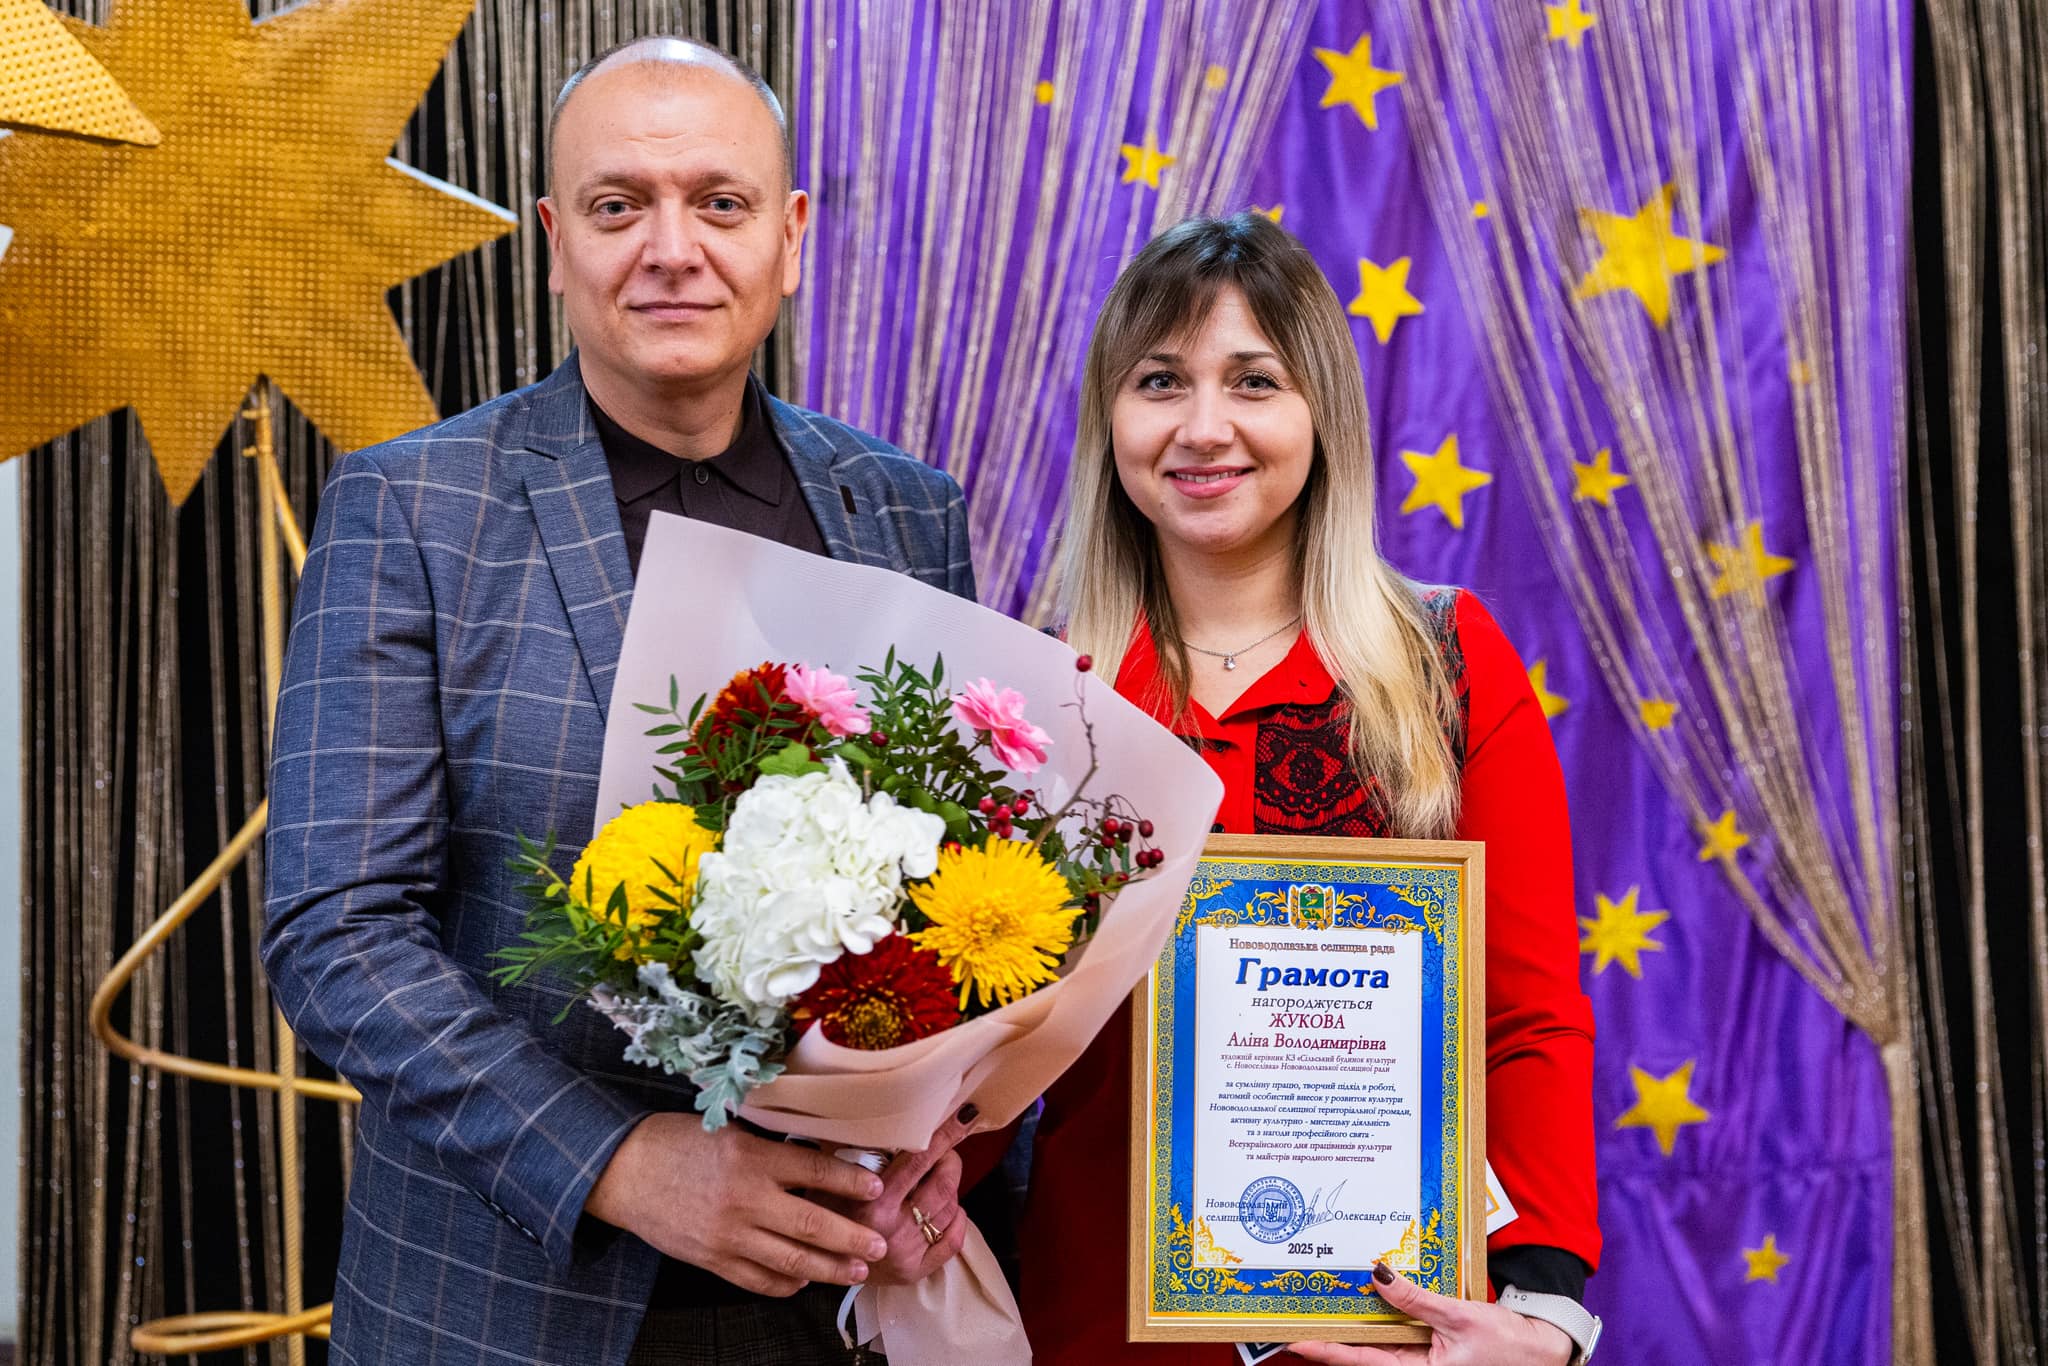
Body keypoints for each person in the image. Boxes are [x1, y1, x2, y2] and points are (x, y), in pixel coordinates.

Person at [262, 37, 977, 1366]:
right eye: (617, 205)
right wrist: (618, 1160)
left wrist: (956, 1128)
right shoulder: (414, 507)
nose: (671, 248)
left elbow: (963, 895)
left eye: (720, 202)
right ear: (555, 241)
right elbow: (337, 930)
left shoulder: (905, 511)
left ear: (790, 236)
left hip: (837, 1298)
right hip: (507, 1304)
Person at [1017, 213, 1602, 1364]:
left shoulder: (1447, 665)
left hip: (1388, 1337)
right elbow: (980, 1049)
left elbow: (1525, 1017)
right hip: (1094, 1323)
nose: (1202, 427)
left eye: (1252, 381)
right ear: (1108, 420)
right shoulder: (1045, 696)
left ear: (1320, 411)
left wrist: (1541, 1313)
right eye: (1158, 381)